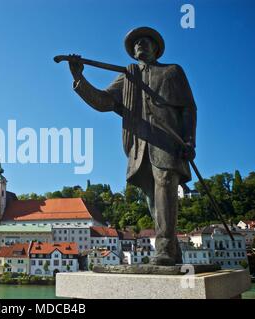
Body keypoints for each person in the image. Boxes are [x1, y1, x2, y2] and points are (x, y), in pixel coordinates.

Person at [68, 27, 197, 266]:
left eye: (145, 41)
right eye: (136, 43)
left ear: (156, 48)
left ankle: (165, 249)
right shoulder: (127, 76)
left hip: (168, 142)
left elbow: (188, 107)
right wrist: (79, 79)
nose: (139, 45)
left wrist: (189, 140)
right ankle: (173, 250)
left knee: (166, 185)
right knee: (152, 198)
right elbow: (104, 101)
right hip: (139, 145)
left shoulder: (172, 72)